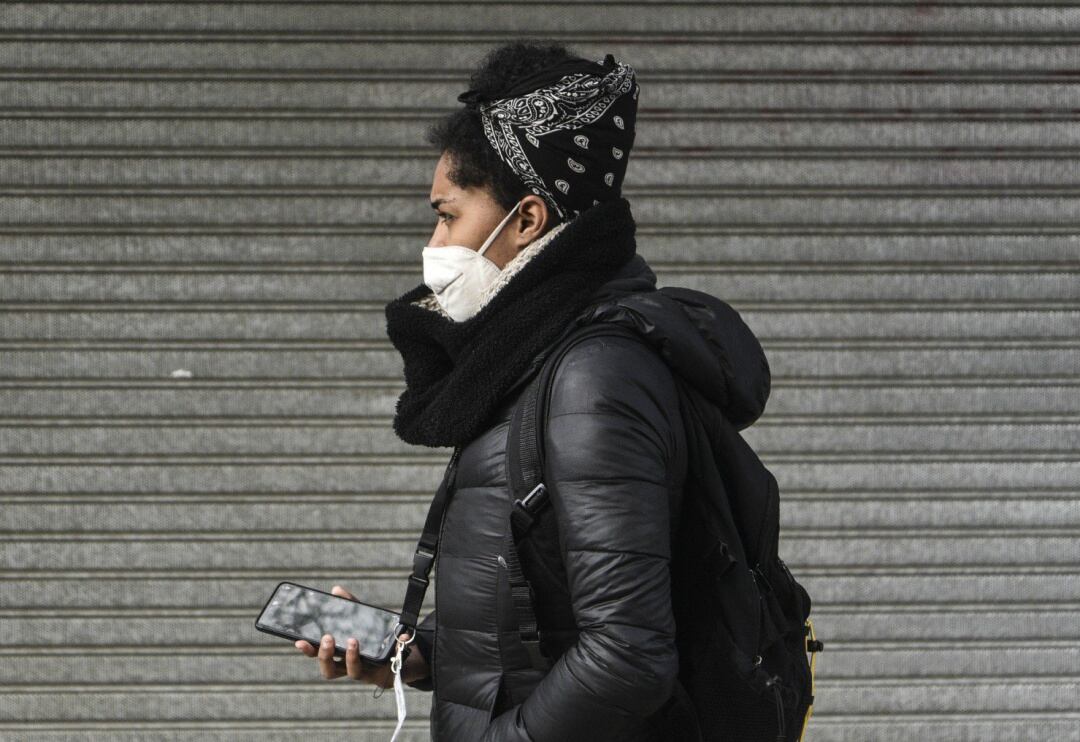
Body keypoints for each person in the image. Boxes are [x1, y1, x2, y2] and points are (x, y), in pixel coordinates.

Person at [295, 39, 773, 742]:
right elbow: (549, 618)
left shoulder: (593, 376)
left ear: (526, 220)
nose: (434, 241)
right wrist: (415, 655)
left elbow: (629, 655)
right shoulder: (533, 360)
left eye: (449, 215)